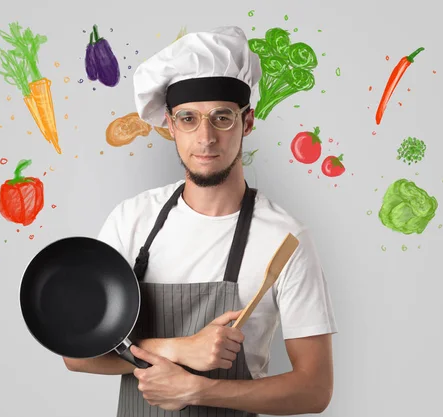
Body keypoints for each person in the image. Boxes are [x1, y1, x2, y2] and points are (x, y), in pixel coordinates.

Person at [63, 26, 338, 416]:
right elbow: (76, 354)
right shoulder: (132, 221)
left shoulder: (284, 238)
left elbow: (315, 389)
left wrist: (198, 390)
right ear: (170, 125)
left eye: (221, 118)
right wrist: (178, 348)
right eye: (189, 119)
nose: (206, 137)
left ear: (247, 122)